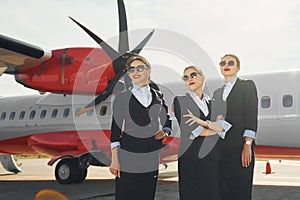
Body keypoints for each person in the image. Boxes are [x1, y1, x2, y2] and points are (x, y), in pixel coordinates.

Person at [109, 55, 172, 200]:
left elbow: (166, 119)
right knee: (127, 194)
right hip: (128, 153)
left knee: (147, 194)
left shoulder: (158, 95)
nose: (135, 72)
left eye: (140, 68)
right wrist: (115, 160)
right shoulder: (122, 97)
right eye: (131, 69)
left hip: (151, 152)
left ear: (148, 71)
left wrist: (166, 132)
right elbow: (115, 130)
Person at [173, 65, 231, 200]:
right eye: (185, 77)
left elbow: (225, 128)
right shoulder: (180, 101)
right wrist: (215, 128)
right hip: (191, 159)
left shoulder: (214, 103)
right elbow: (192, 131)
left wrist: (211, 126)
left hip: (212, 159)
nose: (189, 79)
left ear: (203, 77)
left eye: (193, 75)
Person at [212, 54, 258, 200]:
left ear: (238, 67)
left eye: (231, 63)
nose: (226, 65)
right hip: (221, 149)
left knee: (241, 190)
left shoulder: (247, 86)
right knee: (223, 191)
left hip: (240, 148)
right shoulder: (217, 92)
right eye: (223, 63)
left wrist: (247, 145)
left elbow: (251, 116)